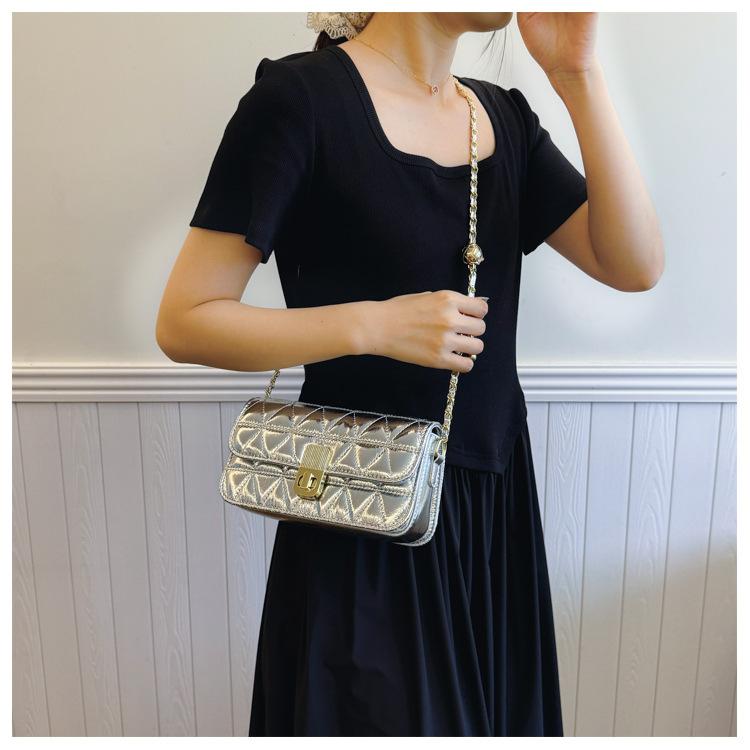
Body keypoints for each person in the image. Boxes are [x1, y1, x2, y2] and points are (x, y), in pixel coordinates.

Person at [156, 11, 663, 737]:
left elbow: (634, 264)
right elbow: (185, 319)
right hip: (362, 518)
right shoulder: (299, 102)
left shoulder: (502, 118)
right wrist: (374, 325)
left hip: (492, 520)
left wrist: (576, 75)